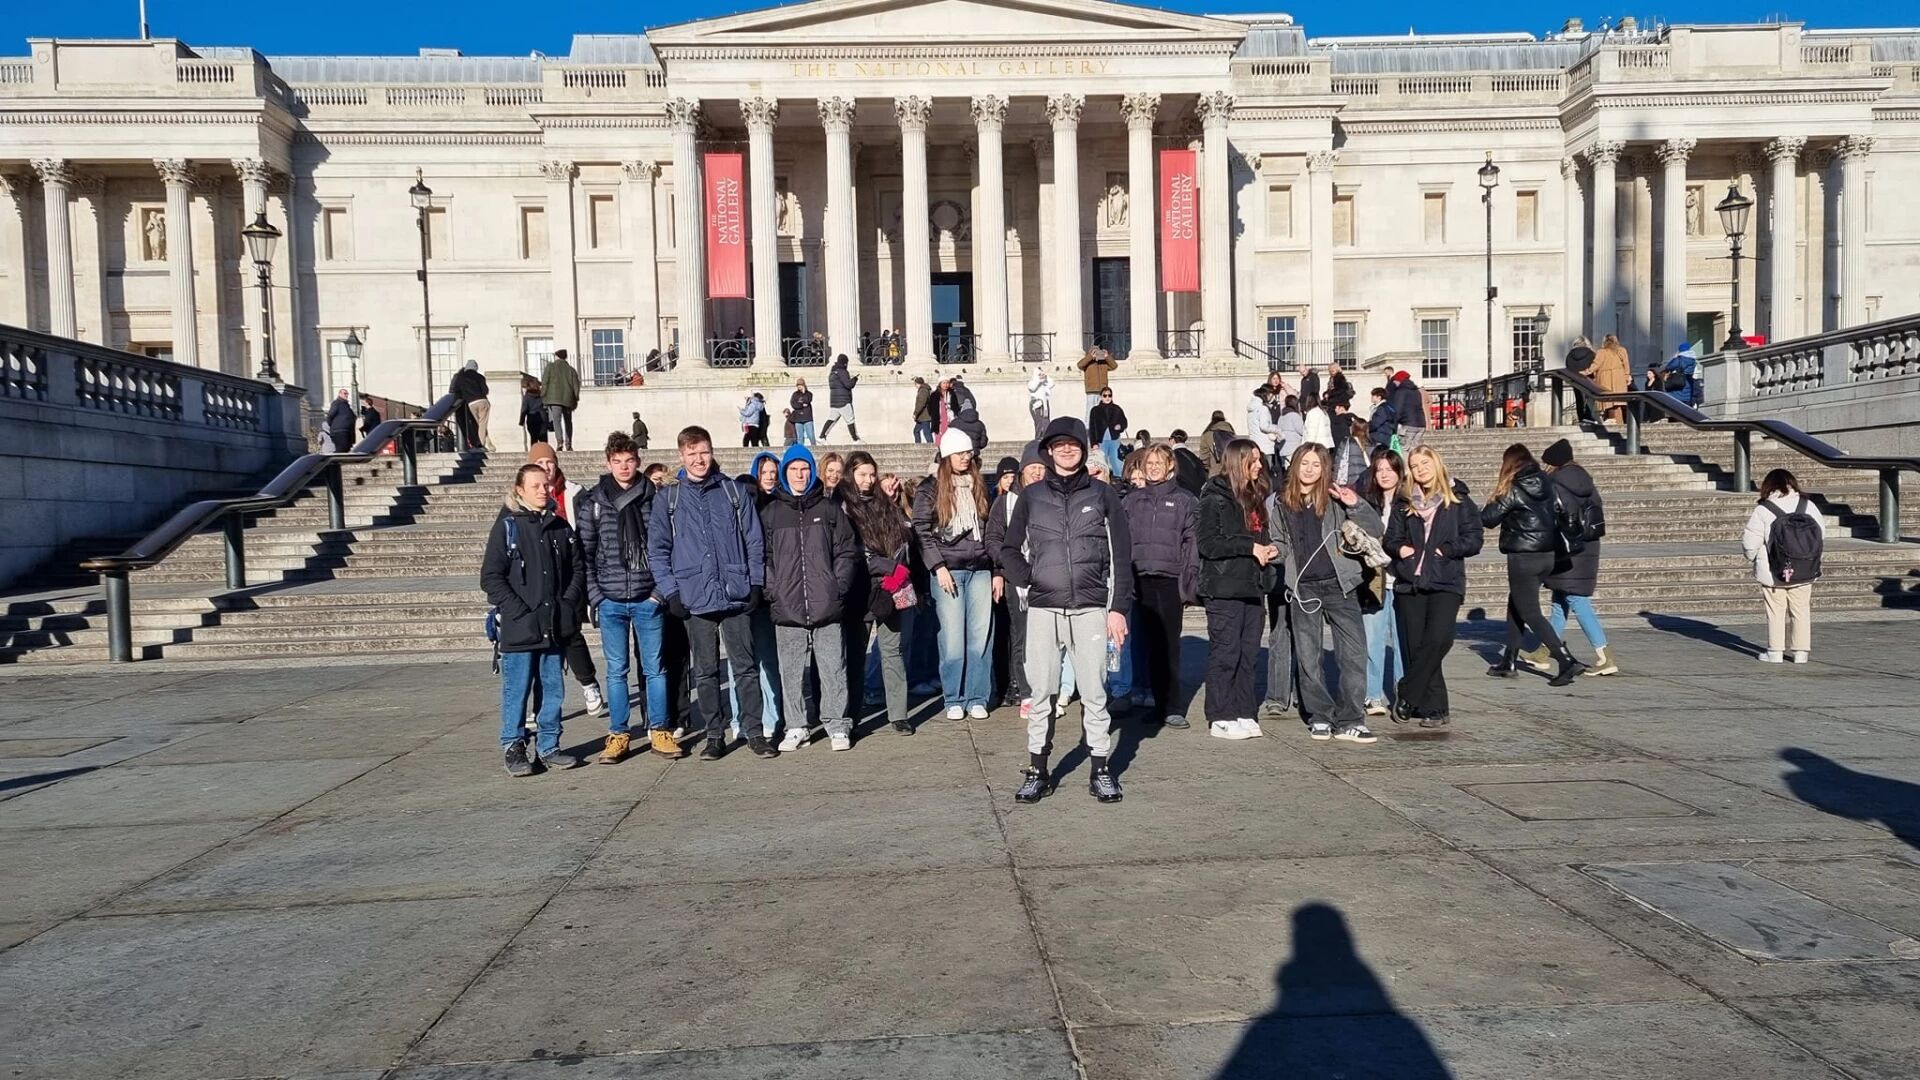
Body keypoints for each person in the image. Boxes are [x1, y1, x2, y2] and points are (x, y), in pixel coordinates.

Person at [999, 416, 1134, 804]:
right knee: (1041, 692)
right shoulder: (1031, 496)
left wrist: (1117, 608)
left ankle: (1101, 769)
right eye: (1059, 445)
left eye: (1073, 444)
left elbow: (1121, 555)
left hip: (1091, 607)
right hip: (1045, 608)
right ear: (1049, 451)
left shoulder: (1103, 494)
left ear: (1083, 448)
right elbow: (1008, 549)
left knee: (1094, 691)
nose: (1066, 450)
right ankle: (1038, 770)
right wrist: (1031, 579)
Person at [647, 426, 779, 760]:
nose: (699, 459)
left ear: (712, 451)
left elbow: (754, 540)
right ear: (681, 456)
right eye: (691, 453)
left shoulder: (733, 492)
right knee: (705, 671)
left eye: (703, 451)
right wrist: (671, 591)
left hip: (735, 593)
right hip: (694, 596)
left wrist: (755, 583)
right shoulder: (669, 499)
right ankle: (715, 734)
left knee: (745, 667)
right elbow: (658, 551)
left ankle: (754, 731)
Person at [1274, 442, 1384, 743]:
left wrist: (1355, 504)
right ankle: (1320, 716)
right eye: (1304, 463)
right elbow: (1280, 543)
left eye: (1316, 464)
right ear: (1295, 465)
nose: (1310, 469)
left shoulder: (1336, 497)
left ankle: (1351, 719)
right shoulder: (1282, 502)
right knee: (1308, 657)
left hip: (1340, 585)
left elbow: (1375, 528)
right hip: (1304, 588)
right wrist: (1272, 552)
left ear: (1325, 468)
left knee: (1353, 654)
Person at [578, 432, 678, 762]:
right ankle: (619, 734)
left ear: (638, 462)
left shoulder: (655, 498)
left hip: (647, 597)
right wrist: (597, 597)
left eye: (630, 461)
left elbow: (668, 547)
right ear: (608, 463)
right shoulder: (594, 502)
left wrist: (658, 594)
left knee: (655, 669)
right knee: (616, 671)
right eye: (617, 461)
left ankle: (659, 730)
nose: (624, 467)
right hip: (610, 600)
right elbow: (585, 554)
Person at [482, 462, 586, 776]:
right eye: (535, 486)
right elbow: (491, 578)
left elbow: (577, 569)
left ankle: (549, 745)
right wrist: (518, 611)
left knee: (552, 689)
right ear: (520, 490)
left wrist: (567, 603)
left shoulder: (560, 527)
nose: (543, 490)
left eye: (546, 485)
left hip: (554, 624)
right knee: (517, 691)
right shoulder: (508, 527)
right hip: (521, 627)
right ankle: (514, 746)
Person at [758, 444, 861, 753]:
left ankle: (837, 724)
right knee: (790, 672)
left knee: (833, 667)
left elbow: (846, 551)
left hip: (825, 603)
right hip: (787, 605)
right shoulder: (771, 513)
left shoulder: (828, 510)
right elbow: (763, 558)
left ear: (812, 471)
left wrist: (837, 587)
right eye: (793, 469)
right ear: (785, 473)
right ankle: (796, 726)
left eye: (804, 469)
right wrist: (773, 590)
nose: (800, 475)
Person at [1382, 444, 1482, 728]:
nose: (1420, 470)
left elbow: (1474, 538)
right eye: (1414, 466)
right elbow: (1390, 540)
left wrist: (1446, 550)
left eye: (1424, 463)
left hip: (1445, 580)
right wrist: (1402, 550)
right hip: (1410, 582)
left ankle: (1408, 691)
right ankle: (1434, 708)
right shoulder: (1404, 502)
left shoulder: (1458, 499)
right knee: (1417, 646)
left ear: (1436, 464)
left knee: (1439, 639)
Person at [1481, 444, 1586, 685]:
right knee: (1516, 605)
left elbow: (1488, 518)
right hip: (1547, 555)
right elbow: (1559, 510)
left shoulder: (1513, 488)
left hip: (1523, 558)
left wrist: (1484, 502)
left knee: (1530, 612)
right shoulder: (1547, 482)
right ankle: (1508, 661)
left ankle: (1566, 660)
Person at [914, 428, 997, 720]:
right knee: (951, 640)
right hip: (947, 570)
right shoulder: (930, 488)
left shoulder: (979, 484)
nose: (966, 457)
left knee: (981, 637)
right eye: (960, 453)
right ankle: (953, 697)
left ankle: (977, 696)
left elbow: (989, 527)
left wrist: (995, 568)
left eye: (968, 453)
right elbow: (921, 529)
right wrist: (938, 567)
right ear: (947, 456)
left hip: (979, 569)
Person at [1198, 441, 1277, 743]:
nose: (1259, 466)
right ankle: (1220, 715)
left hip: (1253, 586)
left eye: (1259, 460)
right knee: (1226, 652)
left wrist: (1267, 548)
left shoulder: (1255, 496)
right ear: (1237, 462)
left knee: (1248, 653)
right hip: (1224, 587)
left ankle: (1244, 710)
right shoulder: (1214, 497)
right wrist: (1249, 547)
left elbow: (1259, 536)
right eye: (1252, 461)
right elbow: (1208, 544)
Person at [1520, 439, 1617, 677]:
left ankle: (1605, 655)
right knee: (1559, 601)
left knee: (1577, 601)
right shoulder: (1584, 481)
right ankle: (1544, 651)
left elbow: (1559, 517)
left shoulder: (1558, 483)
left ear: (1553, 463)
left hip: (1569, 551)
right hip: (1586, 549)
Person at [527, 443, 606, 720]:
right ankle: (539, 704)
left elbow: (587, 532)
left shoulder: (574, 493)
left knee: (570, 632)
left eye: (550, 462)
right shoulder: (523, 496)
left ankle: (589, 684)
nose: (546, 468)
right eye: (540, 463)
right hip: (538, 579)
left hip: (570, 574)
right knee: (538, 642)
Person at [842, 451, 918, 736]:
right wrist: (887, 566)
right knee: (856, 656)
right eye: (862, 474)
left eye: (872, 474)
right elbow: (852, 550)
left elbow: (903, 538)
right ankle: (851, 714)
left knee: (892, 651)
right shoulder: (843, 506)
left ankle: (898, 714)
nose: (868, 480)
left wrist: (897, 567)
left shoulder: (884, 503)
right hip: (860, 590)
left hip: (890, 588)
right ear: (851, 474)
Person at [1125, 442, 1199, 729]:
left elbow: (1191, 543)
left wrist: (1188, 581)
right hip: (1140, 579)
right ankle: (1155, 704)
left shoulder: (1185, 500)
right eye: (1149, 462)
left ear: (1170, 466)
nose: (1153, 467)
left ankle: (1172, 706)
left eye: (1159, 462)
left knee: (1169, 645)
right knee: (1146, 644)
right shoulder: (1132, 500)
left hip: (1170, 580)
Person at [986, 443, 1048, 720]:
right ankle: (1026, 692)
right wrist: (1007, 565)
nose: (1037, 472)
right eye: (1032, 468)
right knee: (1022, 636)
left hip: (1047, 576)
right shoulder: (1006, 502)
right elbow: (993, 538)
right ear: (1022, 471)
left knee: (1046, 638)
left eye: (1041, 468)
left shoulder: (1051, 496)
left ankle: (1045, 689)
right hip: (1018, 578)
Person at [1742, 468, 1825, 664]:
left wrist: (1752, 558)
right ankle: (1801, 652)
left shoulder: (1764, 509)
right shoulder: (1808, 505)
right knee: (1801, 610)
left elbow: (1750, 543)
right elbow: (1820, 535)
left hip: (1773, 571)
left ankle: (1775, 652)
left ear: (1768, 486)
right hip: (1804, 568)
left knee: (1775, 612)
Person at [1356, 449, 1404, 719]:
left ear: (1399, 472)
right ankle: (1372, 694)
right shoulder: (1368, 503)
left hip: (1402, 579)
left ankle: (1402, 692)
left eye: (1390, 469)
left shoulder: (1408, 502)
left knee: (1402, 641)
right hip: (1375, 580)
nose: (1385, 474)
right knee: (1372, 639)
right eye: (1379, 470)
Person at [540, 348, 581, 452]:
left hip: (553, 399)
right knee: (568, 422)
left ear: (557, 356)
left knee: (556, 421)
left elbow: (545, 382)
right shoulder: (571, 370)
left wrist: (543, 395)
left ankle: (559, 442)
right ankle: (569, 444)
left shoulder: (550, 367)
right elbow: (576, 386)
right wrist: (575, 399)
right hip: (568, 399)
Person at [449, 360, 491, 452]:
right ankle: (481, 444)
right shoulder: (480, 377)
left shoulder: (461, 378)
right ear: (475, 368)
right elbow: (485, 391)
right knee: (482, 423)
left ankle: (476, 445)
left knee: (474, 424)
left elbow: (456, 390)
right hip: (482, 401)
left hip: (471, 403)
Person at [1591, 334, 1632, 423]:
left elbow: (1596, 365)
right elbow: (1626, 365)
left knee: (1608, 402)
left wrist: (1586, 372)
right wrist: (1626, 376)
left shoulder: (1602, 352)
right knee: (1617, 403)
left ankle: (1612, 421)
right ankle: (1618, 422)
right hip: (1619, 378)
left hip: (1605, 378)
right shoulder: (1621, 350)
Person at [1089, 387, 1128, 476]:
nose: (1107, 397)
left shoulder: (1117, 409)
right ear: (1101, 397)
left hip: (1114, 439)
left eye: (1109, 395)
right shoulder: (1095, 410)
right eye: (1105, 395)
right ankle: (1103, 480)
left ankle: (1119, 479)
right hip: (1101, 441)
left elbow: (1124, 422)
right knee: (1102, 462)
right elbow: (1092, 427)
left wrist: (1120, 426)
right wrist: (1093, 443)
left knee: (1116, 461)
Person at [822, 353, 861, 442]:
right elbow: (848, 385)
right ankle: (855, 439)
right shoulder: (842, 372)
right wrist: (854, 380)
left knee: (831, 419)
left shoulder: (832, 372)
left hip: (834, 401)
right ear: (845, 363)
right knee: (850, 420)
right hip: (844, 401)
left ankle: (822, 436)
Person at [1651, 340, 1700, 408]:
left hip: (1678, 385)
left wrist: (1675, 358)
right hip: (1688, 384)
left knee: (1675, 405)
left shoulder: (1680, 359)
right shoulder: (1693, 360)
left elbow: (1669, 367)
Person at [1077, 344, 1118, 422]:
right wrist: (1090, 357)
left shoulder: (1104, 363)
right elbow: (1079, 365)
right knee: (1090, 410)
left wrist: (1107, 356)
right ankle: (1088, 426)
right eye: (1095, 352)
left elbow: (1114, 366)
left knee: (1102, 410)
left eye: (1098, 352)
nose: (1097, 354)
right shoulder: (1087, 362)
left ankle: (1101, 425)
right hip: (1091, 390)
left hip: (1103, 391)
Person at [1388, 370, 1426, 451]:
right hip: (1421, 424)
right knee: (1414, 450)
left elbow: (1398, 410)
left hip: (1408, 424)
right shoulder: (1416, 391)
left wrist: (1393, 427)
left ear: (1399, 380)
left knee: (1404, 450)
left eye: (1395, 381)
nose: (1394, 383)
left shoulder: (1401, 392)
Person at [1169, 429, 1208, 495]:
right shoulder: (1193, 456)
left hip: (1180, 492)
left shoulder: (1171, 456)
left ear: (1172, 440)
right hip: (1196, 492)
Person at [324, 389, 356, 453]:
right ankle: (333, 458)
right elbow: (330, 415)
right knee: (342, 449)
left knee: (346, 449)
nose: (346, 395)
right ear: (340, 394)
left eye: (347, 394)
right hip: (339, 431)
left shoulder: (346, 405)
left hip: (347, 431)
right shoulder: (337, 403)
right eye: (345, 393)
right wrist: (335, 425)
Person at [1027, 363, 1054, 439]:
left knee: (1046, 422)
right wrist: (1038, 379)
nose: (1040, 375)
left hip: (1044, 405)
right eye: (1039, 374)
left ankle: (1046, 437)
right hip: (1036, 404)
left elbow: (1052, 383)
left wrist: (1046, 377)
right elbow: (1032, 388)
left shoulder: (1044, 384)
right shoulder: (1031, 383)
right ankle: (1038, 438)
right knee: (1039, 423)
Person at [1366, 386, 1397, 452]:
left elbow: (1375, 424)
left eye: (1373, 395)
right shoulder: (1389, 406)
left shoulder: (1381, 409)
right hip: (1386, 435)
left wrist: (1365, 428)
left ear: (1379, 397)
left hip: (1379, 436)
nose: (1371, 397)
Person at [520, 378, 548, 446]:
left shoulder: (527, 397)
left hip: (532, 418)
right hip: (543, 418)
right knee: (543, 439)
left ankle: (534, 451)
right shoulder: (542, 395)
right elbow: (546, 406)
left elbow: (524, 409)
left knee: (533, 438)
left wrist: (521, 421)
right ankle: (544, 451)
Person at [790, 378, 817, 446]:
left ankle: (814, 447)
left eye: (800, 385)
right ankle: (801, 449)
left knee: (811, 435)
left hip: (807, 418)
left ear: (804, 385)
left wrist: (804, 392)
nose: (799, 386)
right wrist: (801, 405)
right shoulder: (795, 394)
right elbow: (793, 404)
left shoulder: (809, 394)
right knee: (800, 437)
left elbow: (807, 400)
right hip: (798, 418)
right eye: (798, 385)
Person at [911, 377, 935, 443]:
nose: (915, 386)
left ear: (917, 383)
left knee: (926, 432)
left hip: (925, 416)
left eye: (915, 384)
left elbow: (921, 403)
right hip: (922, 416)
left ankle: (931, 446)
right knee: (916, 431)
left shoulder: (923, 391)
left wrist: (915, 413)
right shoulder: (925, 389)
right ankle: (918, 445)